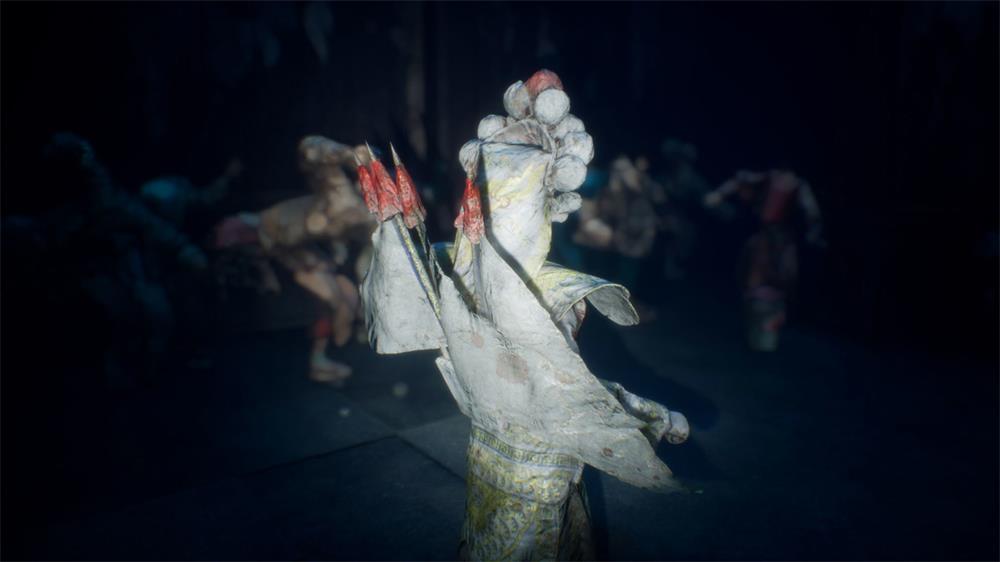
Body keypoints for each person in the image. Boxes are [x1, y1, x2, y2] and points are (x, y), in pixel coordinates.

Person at [360, 70, 690, 561]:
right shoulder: (462, 269)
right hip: (500, 454)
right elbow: (564, 393)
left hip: (537, 461)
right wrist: (651, 418)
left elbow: (564, 388)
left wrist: (647, 417)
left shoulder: (548, 289)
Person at [214, 136, 375, 385]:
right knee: (334, 298)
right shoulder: (335, 194)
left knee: (345, 298)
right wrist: (349, 155)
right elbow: (311, 150)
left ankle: (324, 357)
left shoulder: (352, 210)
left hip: (297, 246)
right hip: (282, 241)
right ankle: (320, 359)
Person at [704, 169, 824, 351]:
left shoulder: (798, 187)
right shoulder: (769, 179)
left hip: (781, 241)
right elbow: (741, 180)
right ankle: (755, 331)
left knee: (780, 284)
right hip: (766, 240)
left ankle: (769, 332)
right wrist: (718, 195)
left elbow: (810, 211)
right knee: (753, 282)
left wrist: (814, 231)